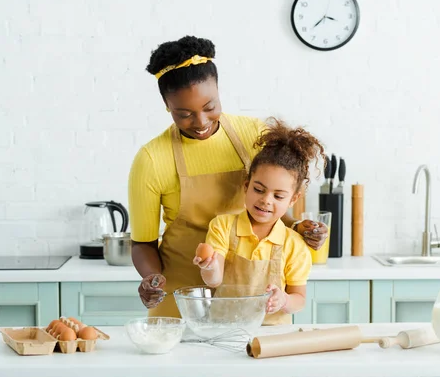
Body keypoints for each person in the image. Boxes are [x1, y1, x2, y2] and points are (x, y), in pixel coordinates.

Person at [128, 35, 328, 318]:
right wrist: (151, 278)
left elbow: (269, 201)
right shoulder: (151, 159)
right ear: (166, 105)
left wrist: (299, 228)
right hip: (183, 298)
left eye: (210, 107)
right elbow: (143, 243)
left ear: (219, 91)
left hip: (245, 297)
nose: (200, 122)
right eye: (183, 114)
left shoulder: (252, 134)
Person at [192, 118, 327, 325]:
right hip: (225, 330)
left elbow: (299, 300)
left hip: (273, 337)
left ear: (293, 199)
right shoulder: (223, 226)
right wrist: (208, 266)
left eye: (278, 196)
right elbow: (215, 280)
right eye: (258, 189)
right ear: (246, 186)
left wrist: (284, 300)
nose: (266, 200)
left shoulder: (294, 245)